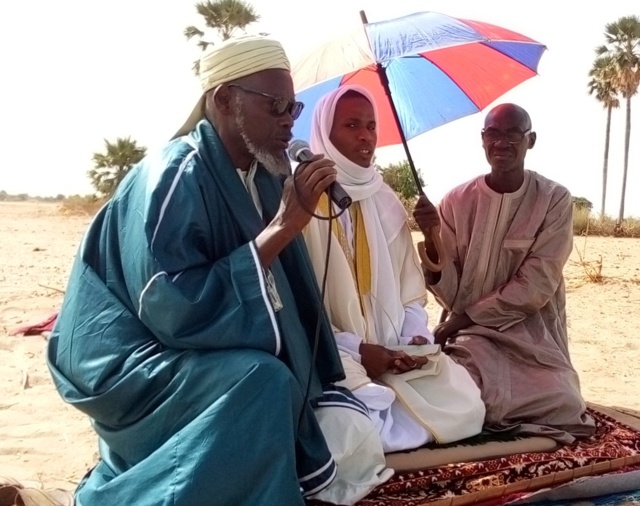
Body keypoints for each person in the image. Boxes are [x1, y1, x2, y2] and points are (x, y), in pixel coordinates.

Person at [46, 36, 391, 506]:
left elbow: (287, 296)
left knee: (336, 415)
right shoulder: (174, 175)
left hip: (184, 345)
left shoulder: (263, 176)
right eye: (276, 106)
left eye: (294, 107)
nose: (289, 120)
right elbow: (174, 307)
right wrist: (286, 225)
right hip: (122, 362)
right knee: (262, 382)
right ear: (224, 99)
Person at [302, 85, 485, 454]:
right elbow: (301, 309)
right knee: (353, 425)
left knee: (466, 401)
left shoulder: (384, 198)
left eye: (371, 125)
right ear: (326, 132)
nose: (365, 136)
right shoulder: (301, 202)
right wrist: (357, 349)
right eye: (352, 125)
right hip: (332, 353)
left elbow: (409, 291)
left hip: (392, 350)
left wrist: (413, 335)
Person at [413, 103, 596, 444]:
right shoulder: (455, 201)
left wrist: (460, 319)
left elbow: (537, 284)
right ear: (483, 140)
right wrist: (431, 235)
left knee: (565, 403)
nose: (502, 143)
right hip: (470, 338)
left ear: (531, 141)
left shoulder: (553, 199)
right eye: (494, 134)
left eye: (513, 134)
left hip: (531, 336)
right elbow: (450, 292)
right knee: (463, 392)